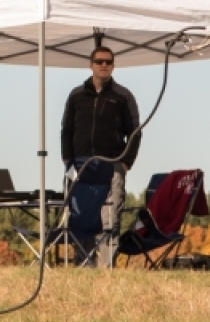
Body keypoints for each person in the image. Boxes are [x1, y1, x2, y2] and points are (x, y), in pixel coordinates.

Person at [59, 46, 139, 268]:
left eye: (108, 62)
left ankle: (107, 269)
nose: (104, 65)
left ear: (113, 66)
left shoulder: (123, 96)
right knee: (80, 215)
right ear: (90, 64)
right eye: (99, 61)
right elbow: (66, 130)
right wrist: (67, 161)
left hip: (112, 165)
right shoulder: (76, 95)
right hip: (80, 166)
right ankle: (83, 265)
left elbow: (135, 132)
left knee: (110, 218)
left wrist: (125, 163)